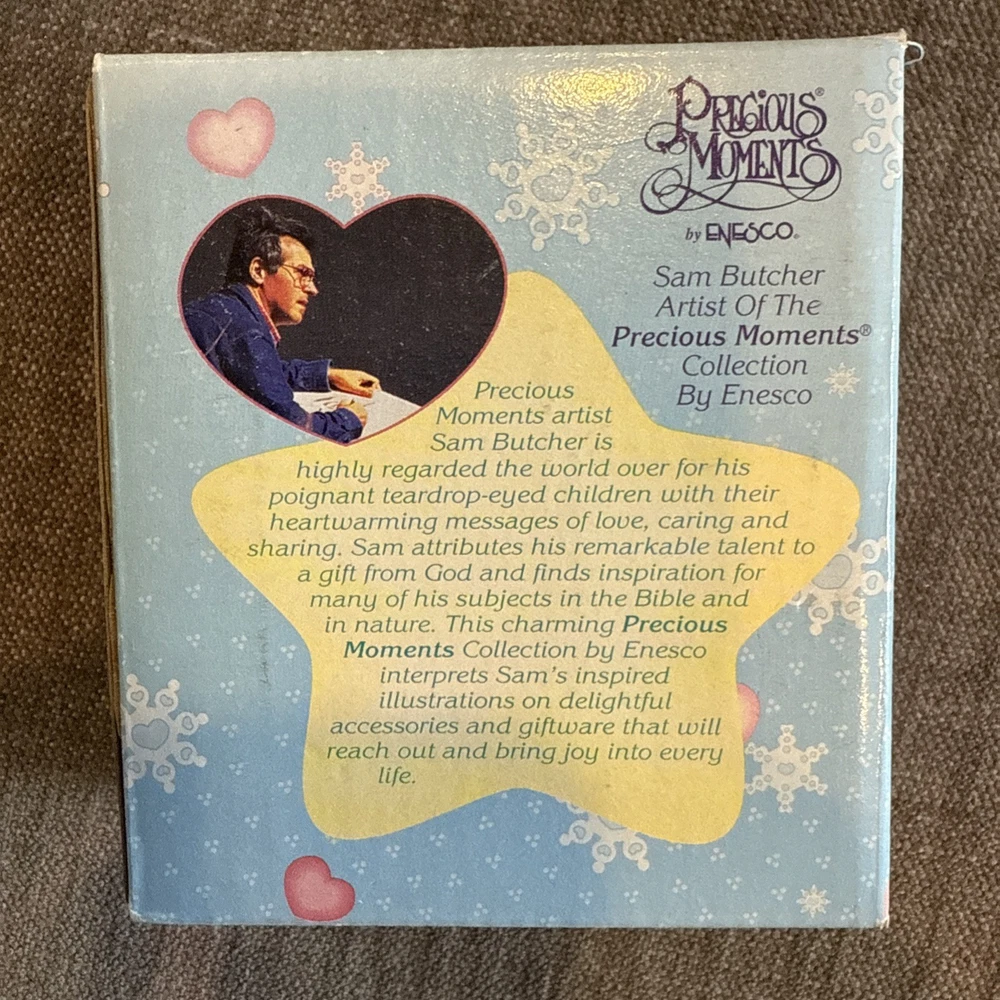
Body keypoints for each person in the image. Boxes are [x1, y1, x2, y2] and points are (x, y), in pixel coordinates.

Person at [184, 206, 380, 443]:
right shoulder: (245, 331)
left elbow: (262, 373)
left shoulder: (229, 312)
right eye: (302, 273)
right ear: (258, 271)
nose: (312, 289)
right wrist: (349, 419)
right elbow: (292, 428)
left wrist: (328, 375)